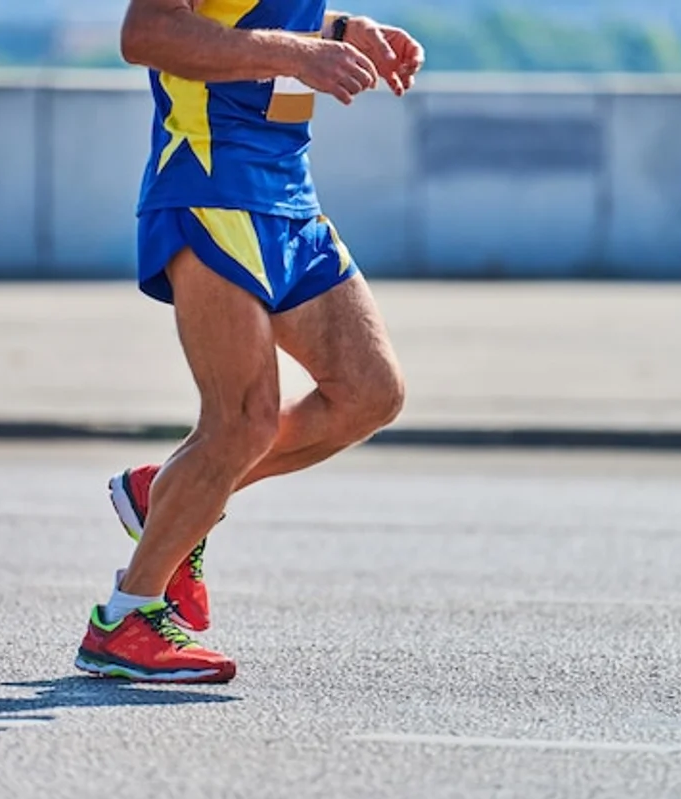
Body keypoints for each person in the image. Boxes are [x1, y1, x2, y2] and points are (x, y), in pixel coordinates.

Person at [75, 0, 425, 684]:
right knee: (241, 422)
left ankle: (167, 495)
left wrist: (347, 32)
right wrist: (302, 56)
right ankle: (126, 618)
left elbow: (261, 17)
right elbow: (147, 33)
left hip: (289, 197)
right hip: (211, 182)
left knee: (371, 392)